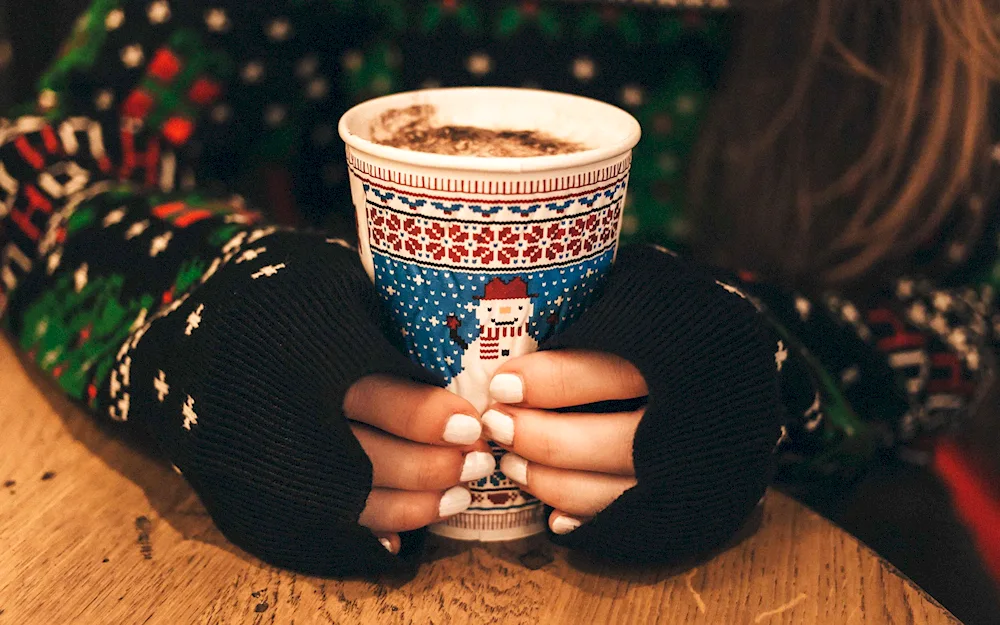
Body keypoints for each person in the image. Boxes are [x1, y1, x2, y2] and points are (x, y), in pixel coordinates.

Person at [0, 0, 996, 611]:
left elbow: (951, 325)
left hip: (826, 531)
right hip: (359, 539)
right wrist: (219, 307)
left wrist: (771, 378)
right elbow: (42, 166)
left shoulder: (927, 40)